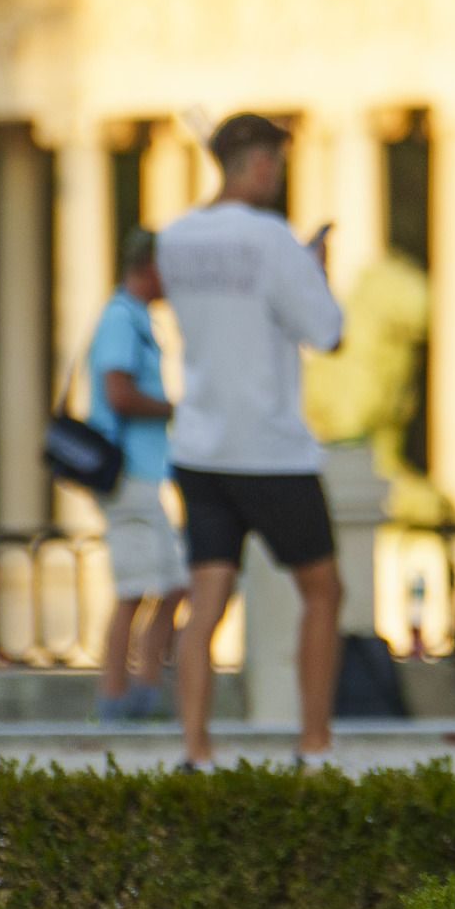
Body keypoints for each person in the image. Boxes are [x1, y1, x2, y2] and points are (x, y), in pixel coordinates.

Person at [156, 112, 348, 767]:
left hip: (200, 445)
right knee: (323, 591)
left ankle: (195, 746)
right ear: (260, 164)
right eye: (279, 165)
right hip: (269, 448)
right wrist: (312, 266)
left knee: (207, 599)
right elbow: (326, 331)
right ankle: (314, 742)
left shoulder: (174, 239)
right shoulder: (271, 241)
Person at [84, 229, 183, 723]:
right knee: (136, 587)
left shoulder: (136, 318)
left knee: (171, 581)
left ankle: (141, 690)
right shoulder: (121, 318)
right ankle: (117, 697)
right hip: (127, 476)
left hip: (143, 474)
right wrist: (174, 408)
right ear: (148, 268)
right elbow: (119, 394)